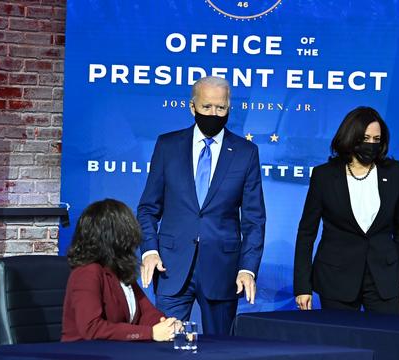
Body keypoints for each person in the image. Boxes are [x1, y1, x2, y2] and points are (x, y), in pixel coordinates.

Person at [137, 76, 266, 335]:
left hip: (223, 271)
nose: (214, 113)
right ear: (192, 107)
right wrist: (149, 250)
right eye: (207, 107)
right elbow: (148, 208)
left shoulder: (246, 152)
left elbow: (254, 220)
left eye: (220, 108)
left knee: (221, 351)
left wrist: (247, 268)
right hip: (172, 268)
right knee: (167, 347)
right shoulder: (167, 146)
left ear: (229, 108)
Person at [293, 106, 399, 314]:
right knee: (341, 343)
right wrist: (303, 286)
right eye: (366, 138)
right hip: (337, 278)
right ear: (351, 137)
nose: (372, 144)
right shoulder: (324, 176)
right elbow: (306, 233)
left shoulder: (392, 172)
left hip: (383, 278)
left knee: (388, 341)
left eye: (377, 139)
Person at [61, 199, 177, 341]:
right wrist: (150, 333)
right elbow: (91, 328)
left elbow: (146, 313)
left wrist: (168, 325)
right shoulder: (87, 272)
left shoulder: (119, 269)